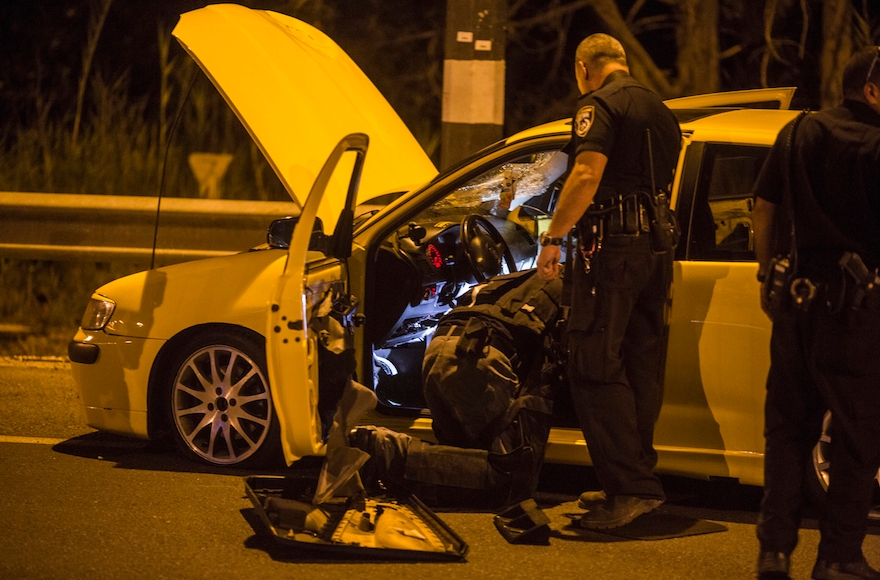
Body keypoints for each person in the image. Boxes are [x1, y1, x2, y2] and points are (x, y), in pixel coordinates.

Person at [536, 33, 681, 529]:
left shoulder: (598, 106)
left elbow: (584, 176)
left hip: (612, 247)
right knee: (641, 363)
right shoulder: (661, 110)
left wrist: (552, 237)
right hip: (656, 248)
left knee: (593, 360)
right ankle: (635, 474)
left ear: (584, 68)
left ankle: (631, 488)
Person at [752, 46, 880, 580]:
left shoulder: (798, 132)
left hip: (797, 305)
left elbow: (763, 209)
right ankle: (839, 556)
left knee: (787, 430)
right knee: (858, 434)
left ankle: (774, 552)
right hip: (859, 311)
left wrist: (767, 275)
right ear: (873, 90)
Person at [351, 270, 565, 508]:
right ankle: (379, 450)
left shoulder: (535, 275)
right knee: (507, 476)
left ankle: (384, 464)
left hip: (443, 345)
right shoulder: (579, 289)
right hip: (479, 359)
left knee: (464, 465)